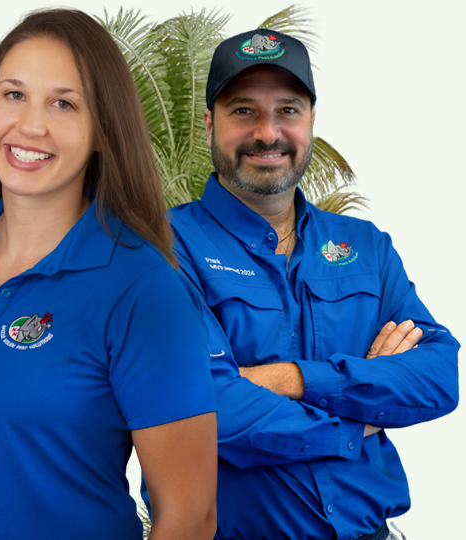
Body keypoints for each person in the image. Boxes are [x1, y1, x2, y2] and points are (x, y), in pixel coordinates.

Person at [0, 9, 217, 540]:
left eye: (63, 103)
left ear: (101, 131)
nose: (30, 125)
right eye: (14, 95)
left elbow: (190, 519)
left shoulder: (142, 287)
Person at [160, 29, 460, 540]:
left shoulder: (365, 245)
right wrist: (357, 417)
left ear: (312, 121)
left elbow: (438, 375)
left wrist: (293, 379)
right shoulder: (164, 248)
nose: (267, 132)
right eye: (243, 111)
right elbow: (205, 406)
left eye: (288, 110)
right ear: (210, 124)